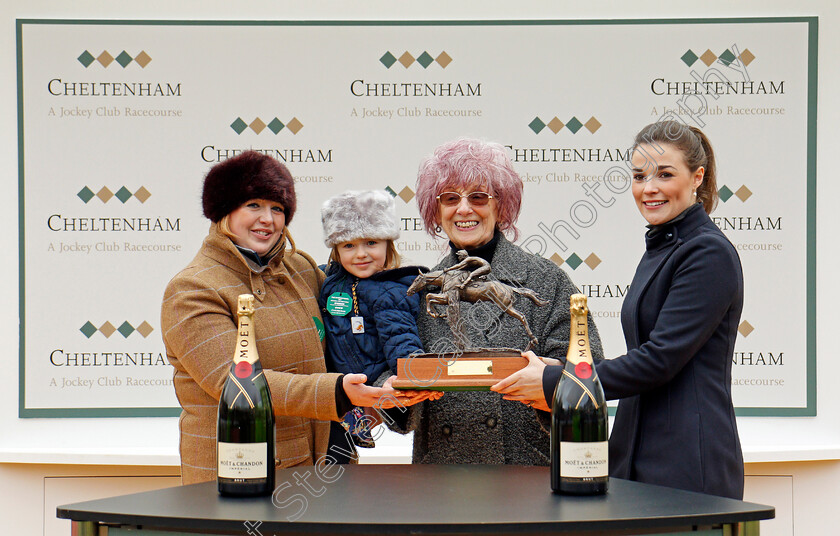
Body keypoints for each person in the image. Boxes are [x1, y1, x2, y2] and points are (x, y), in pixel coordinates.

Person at [494, 121, 745, 499]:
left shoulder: (707, 252)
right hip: (635, 453)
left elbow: (659, 359)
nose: (649, 188)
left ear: (697, 177)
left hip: (686, 464)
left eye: (665, 174)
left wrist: (557, 385)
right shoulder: (666, 246)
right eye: (639, 175)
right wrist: (562, 370)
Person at [161, 151, 405, 485]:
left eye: (277, 208)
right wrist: (339, 392)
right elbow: (236, 384)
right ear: (224, 211)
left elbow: (353, 329)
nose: (268, 219)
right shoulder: (192, 289)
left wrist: (386, 380)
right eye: (254, 205)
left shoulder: (301, 269)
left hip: (328, 463)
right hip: (242, 475)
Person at [388, 137, 603, 465]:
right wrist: (396, 395)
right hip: (441, 474)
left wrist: (548, 383)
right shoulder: (419, 292)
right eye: (449, 198)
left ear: (501, 206)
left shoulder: (547, 280)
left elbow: (590, 374)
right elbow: (395, 384)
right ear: (436, 210)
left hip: (525, 473)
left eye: (478, 197)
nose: (463, 209)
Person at [318, 190, 439, 456]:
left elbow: (400, 337)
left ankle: (361, 423)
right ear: (336, 250)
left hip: (371, 382)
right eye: (349, 245)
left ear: (388, 244)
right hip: (337, 386)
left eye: (371, 243)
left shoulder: (392, 290)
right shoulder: (331, 281)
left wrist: (409, 375)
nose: (360, 254)